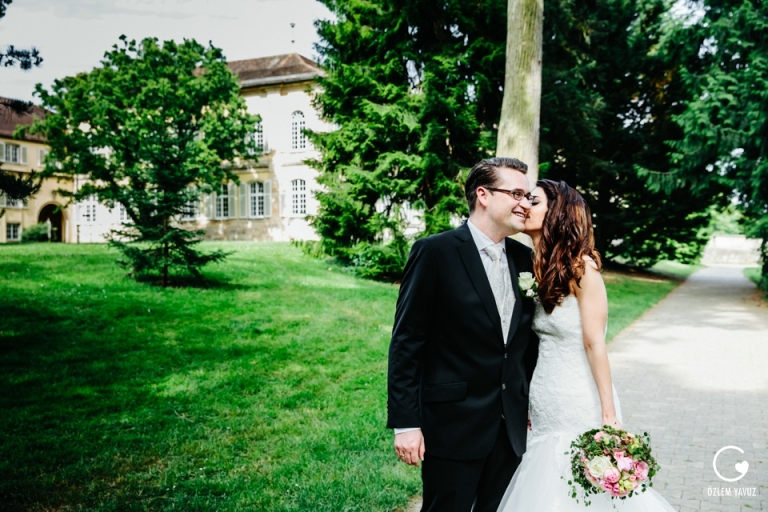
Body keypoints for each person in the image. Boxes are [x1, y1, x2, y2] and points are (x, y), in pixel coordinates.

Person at [497, 179, 675, 511]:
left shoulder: (583, 270)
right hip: (544, 396)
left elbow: (595, 344)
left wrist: (609, 414)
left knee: (581, 486)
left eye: (533, 201)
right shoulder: (538, 267)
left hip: (578, 396)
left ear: (557, 213)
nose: (523, 205)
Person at [387, 157, 540, 512]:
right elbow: (407, 342)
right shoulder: (435, 252)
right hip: (452, 426)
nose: (524, 203)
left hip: (509, 428)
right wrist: (406, 423)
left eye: (528, 196)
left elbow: (524, 344)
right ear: (483, 195)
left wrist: (527, 398)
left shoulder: (525, 260)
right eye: (516, 193)